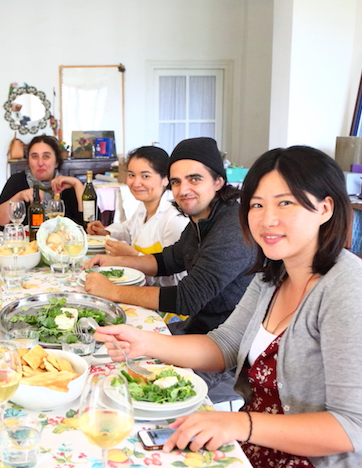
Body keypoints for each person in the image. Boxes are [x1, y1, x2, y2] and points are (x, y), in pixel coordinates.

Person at [95, 146, 362, 468]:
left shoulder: (354, 291)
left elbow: (352, 428)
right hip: (269, 457)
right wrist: (145, 342)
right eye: (257, 205)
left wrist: (240, 425)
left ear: (325, 208)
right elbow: (225, 344)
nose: (267, 219)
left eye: (286, 203)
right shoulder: (273, 274)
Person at [85, 137, 253, 403]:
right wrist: (114, 262)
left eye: (194, 179)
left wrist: (114, 292)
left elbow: (186, 299)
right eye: (176, 181)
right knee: (103, 357)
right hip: (196, 330)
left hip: (225, 355)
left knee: (125, 389)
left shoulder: (232, 229)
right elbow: (167, 260)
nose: (183, 189)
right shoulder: (203, 219)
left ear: (218, 181)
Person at [87, 145, 189, 287]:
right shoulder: (144, 205)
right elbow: (128, 230)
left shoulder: (175, 219)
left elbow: (176, 279)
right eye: (131, 175)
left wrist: (132, 257)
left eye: (145, 176)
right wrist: (106, 232)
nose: (135, 183)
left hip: (161, 300)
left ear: (166, 179)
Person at [0, 135, 84, 227]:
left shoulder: (67, 185)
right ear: (29, 161)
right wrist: (19, 197)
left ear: (56, 162)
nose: (40, 163)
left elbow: (89, 223)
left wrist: (77, 184)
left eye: (46, 156)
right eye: (34, 157)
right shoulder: (17, 181)